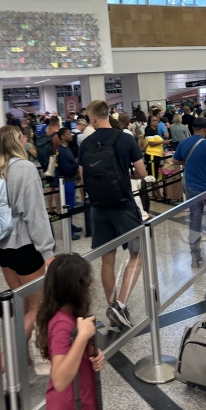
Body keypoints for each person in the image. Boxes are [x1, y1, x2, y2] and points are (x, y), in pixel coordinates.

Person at [78, 100, 146, 329]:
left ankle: (111, 304)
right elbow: (142, 171)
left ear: (93, 118)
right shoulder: (125, 138)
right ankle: (121, 305)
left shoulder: (85, 143)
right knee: (137, 254)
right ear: (108, 114)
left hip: (98, 207)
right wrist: (128, 176)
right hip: (124, 205)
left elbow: (82, 177)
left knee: (108, 259)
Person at [0, 126, 55, 342]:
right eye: (24, 136)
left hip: (0, 246)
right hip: (24, 246)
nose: (27, 139)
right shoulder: (25, 168)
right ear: (18, 140)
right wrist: (48, 251)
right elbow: (35, 214)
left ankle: (20, 355)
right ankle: (9, 358)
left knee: (21, 302)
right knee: (38, 306)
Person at [36, 254, 105, 410]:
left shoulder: (69, 315)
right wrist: (82, 338)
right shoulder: (61, 324)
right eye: (86, 286)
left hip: (82, 396)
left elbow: (71, 352)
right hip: (70, 409)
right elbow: (59, 380)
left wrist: (93, 354)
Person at [173, 117, 206, 268]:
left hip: (191, 187)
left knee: (195, 220)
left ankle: (195, 256)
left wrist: (190, 161)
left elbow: (176, 161)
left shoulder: (184, 143)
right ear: (205, 129)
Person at [54, 127, 81, 241]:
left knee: (71, 205)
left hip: (68, 180)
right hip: (66, 181)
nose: (71, 135)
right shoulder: (63, 151)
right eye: (68, 134)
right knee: (68, 207)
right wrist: (77, 163)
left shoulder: (65, 148)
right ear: (63, 137)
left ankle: (71, 226)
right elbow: (67, 169)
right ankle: (68, 231)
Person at [144, 114, 167, 201]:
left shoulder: (155, 131)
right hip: (152, 155)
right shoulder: (149, 130)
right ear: (149, 122)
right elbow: (150, 143)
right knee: (153, 177)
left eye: (156, 120)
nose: (156, 122)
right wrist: (163, 142)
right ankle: (159, 195)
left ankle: (154, 194)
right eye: (153, 120)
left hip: (156, 155)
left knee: (153, 176)